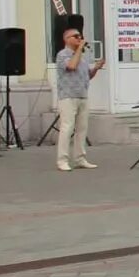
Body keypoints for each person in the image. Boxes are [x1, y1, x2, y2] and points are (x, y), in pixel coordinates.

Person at [54, 27, 103, 171]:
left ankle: (80, 158)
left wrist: (96, 68)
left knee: (82, 129)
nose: (79, 38)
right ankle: (62, 160)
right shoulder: (62, 54)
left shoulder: (82, 56)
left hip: (83, 95)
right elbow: (71, 66)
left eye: (80, 36)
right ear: (67, 39)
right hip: (68, 96)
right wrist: (79, 49)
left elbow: (87, 76)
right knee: (67, 128)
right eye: (75, 36)